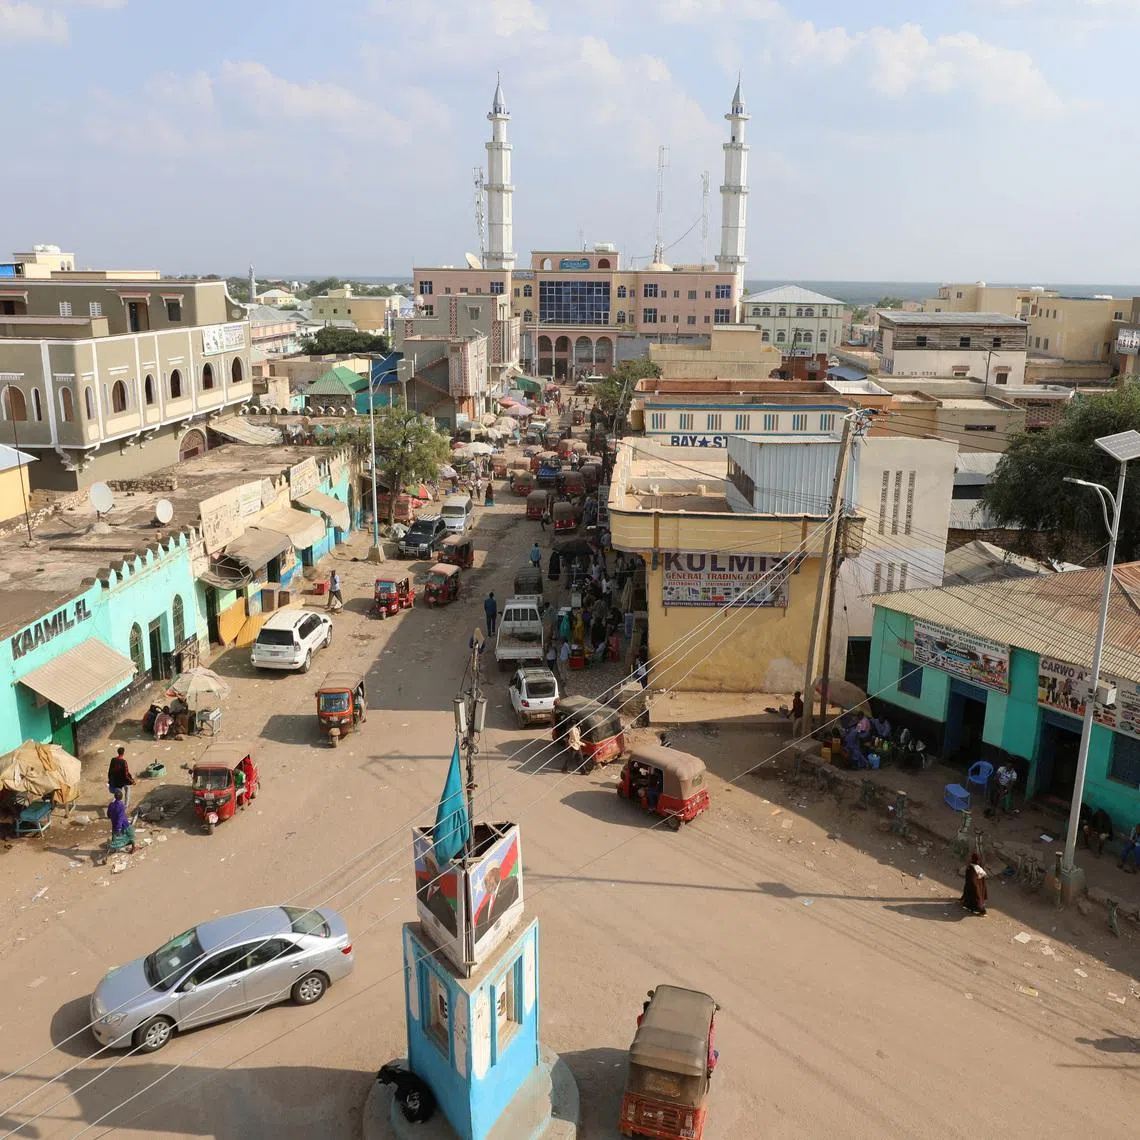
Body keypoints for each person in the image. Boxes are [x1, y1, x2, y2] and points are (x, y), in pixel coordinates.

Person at [961, 850, 988, 915]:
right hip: (977, 888)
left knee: (974, 899)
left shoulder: (971, 868)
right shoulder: (979, 869)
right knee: (976, 899)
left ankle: (977, 909)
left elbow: (971, 880)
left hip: (973, 887)